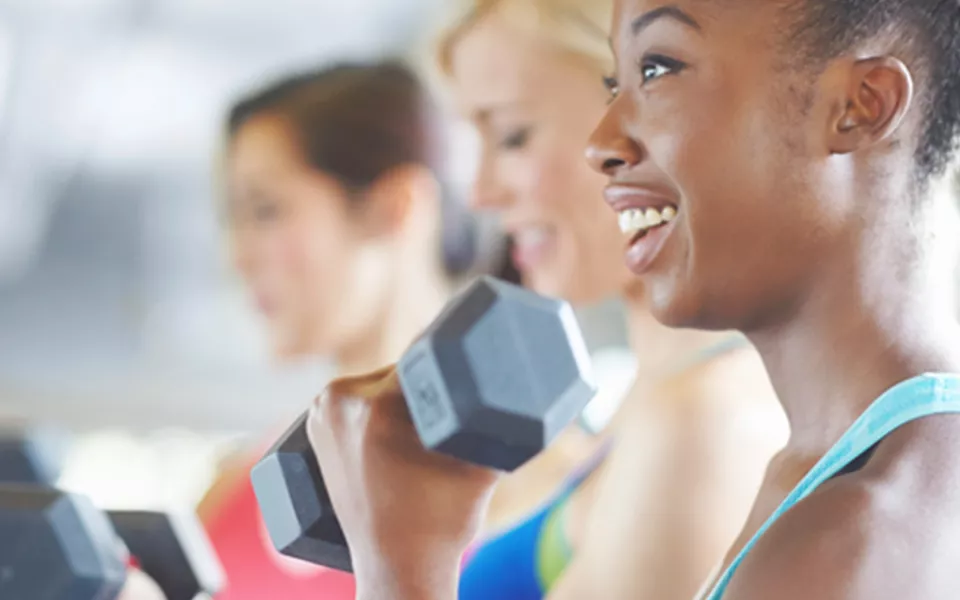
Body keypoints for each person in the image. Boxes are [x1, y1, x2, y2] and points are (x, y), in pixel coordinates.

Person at [303, 0, 960, 599]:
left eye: (659, 69)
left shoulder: (855, 539)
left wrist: (404, 565)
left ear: (861, 104)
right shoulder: (820, 480)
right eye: (617, 85)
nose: (602, 142)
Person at [435, 1, 788, 598]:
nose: (480, 194)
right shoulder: (641, 410)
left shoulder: (706, 419)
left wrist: (388, 545)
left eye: (513, 137)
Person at [197, 61, 476, 600]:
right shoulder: (235, 485)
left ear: (398, 207)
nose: (239, 257)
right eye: (233, 221)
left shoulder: (524, 488)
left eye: (266, 211)